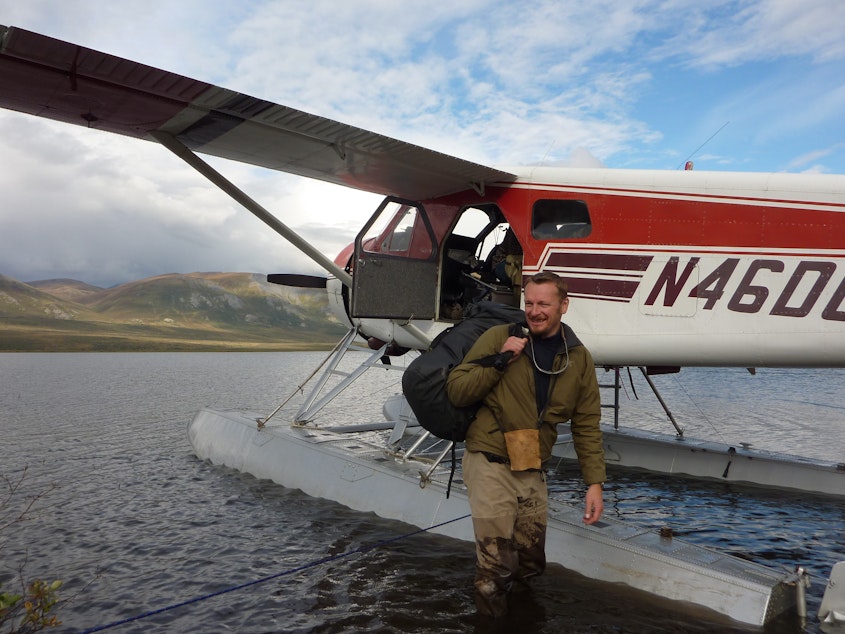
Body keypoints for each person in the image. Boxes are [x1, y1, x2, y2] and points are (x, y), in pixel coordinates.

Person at [446, 271, 605, 618]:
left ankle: (519, 620)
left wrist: (594, 483)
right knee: (495, 568)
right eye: (529, 303)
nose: (534, 311)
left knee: (530, 562)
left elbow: (587, 423)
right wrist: (500, 360)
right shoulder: (499, 337)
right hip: (489, 460)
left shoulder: (578, 357)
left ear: (564, 305)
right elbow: (457, 389)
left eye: (543, 304)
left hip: (531, 465)